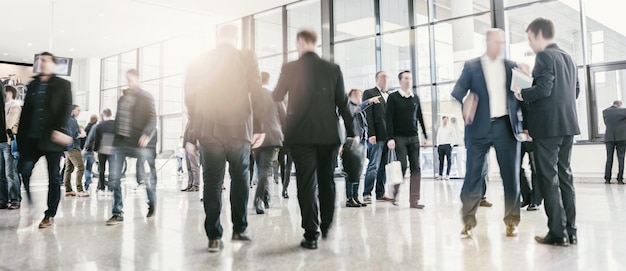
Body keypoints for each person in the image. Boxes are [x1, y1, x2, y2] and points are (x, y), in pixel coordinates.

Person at [185, 25, 266, 253]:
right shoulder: (246, 57)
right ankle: (239, 229)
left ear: (217, 37)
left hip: (208, 130)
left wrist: (195, 125)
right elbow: (257, 91)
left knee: (211, 182)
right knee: (240, 179)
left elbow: (189, 95)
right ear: (235, 38)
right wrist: (258, 126)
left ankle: (214, 237)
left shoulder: (201, 59)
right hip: (239, 129)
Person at [273, 29, 355, 250]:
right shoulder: (333, 69)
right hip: (328, 135)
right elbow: (343, 103)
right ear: (315, 42)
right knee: (327, 180)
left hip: (300, 136)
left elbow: (276, 96)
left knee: (306, 183)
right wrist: (352, 132)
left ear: (300, 42)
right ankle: (326, 224)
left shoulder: (290, 68)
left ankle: (311, 234)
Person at [513, 18, 579, 246]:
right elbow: (575, 91)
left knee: (548, 178)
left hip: (548, 128)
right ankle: (571, 230)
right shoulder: (568, 58)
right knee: (565, 176)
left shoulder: (544, 56)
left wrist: (523, 94)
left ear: (539, 35)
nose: (530, 44)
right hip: (568, 125)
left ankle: (557, 233)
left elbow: (543, 88)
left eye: (530, 39)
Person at [451, 29, 522, 238]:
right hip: (478, 128)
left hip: (505, 127)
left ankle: (512, 221)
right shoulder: (471, 66)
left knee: (510, 177)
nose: (500, 45)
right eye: (496, 41)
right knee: (473, 175)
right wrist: (466, 103)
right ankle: (468, 222)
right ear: (488, 42)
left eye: (502, 42)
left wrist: (525, 125)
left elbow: (521, 96)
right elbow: (457, 91)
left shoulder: (511, 66)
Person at [18, 51, 73, 228]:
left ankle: (49, 214)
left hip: (52, 138)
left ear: (53, 64)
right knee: (24, 170)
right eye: (40, 61)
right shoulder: (33, 84)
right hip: (31, 139)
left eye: (46, 61)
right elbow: (26, 112)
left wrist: (60, 129)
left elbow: (66, 107)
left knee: (54, 178)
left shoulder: (63, 84)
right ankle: (31, 204)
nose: (43, 64)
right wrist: (20, 138)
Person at [106, 69, 158, 226]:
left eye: (132, 79)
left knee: (143, 176)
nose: (129, 81)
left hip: (139, 143)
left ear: (138, 79)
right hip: (121, 143)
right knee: (114, 178)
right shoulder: (122, 99)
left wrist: (147, 134)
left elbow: (152, 118)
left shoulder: (146, 97)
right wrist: (109, 143)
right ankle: (117, 212)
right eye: (127, 79)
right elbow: (117, 121)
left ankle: (152, 201)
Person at [386, 71, 428, 208]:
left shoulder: (415, 97)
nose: (408, 80)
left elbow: (420, 117)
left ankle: (414, 200)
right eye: (405, 78)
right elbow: (388, 119)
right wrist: (390, 138)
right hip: (399, 138)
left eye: (410, 78)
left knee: (416, 168)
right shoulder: (393, 98)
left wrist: (426, 136)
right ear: (400, 81)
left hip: (414, 137)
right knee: (402, 165)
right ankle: (395, 192)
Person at [252, 72, 284, 215]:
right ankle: (260, 199)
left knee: (261, 168)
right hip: (272, 136)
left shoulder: (252, 96)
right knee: (264, 169)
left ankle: (265, 198)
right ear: (268, 80)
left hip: (255, 137)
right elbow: (283, 116)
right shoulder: (275, 96)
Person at [344, 88, 379, 208]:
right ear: (350, 97)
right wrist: (369, 101)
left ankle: (355, 197)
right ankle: (349, 198)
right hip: (352, 142)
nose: (359, 99)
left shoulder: (358, 110)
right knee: (351, 171)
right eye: (357, 96)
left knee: (358, 171)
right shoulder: (349, 107)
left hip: (362, 142)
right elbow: (359, 108)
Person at [362, 71, 392, 203]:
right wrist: (371, 133)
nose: (385, 79)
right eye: (382, 77)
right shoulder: (369, 93)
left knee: (383, 167)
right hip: (376, 136)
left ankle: (380, 192)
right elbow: (368, 115)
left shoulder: (389, 96)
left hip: (388, 137)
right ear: (376, 79)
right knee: (373, 166)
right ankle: (367, 193)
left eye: (386, 77)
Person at [85, 108, 116, 194]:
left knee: (101, 169)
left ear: (103, 115)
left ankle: (101, 187)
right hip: (113, 149)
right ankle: (111, 188)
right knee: (112, 169)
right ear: (110, 114)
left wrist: (95, 151)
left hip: (102, 149)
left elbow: (97, 139)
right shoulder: (116, 124)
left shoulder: (99, 125)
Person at [1, 86, 21, 209]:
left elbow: (7, 123)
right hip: (1, 142)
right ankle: (2, 200)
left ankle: (15, 199)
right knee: (1, 174)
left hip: (9, 143)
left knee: (11, 173)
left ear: (9, 92)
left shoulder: (14, 105)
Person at [63, 105, 89, 197]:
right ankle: (80, 189)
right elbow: (74, 135)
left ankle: (68, 189)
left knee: (69, 169)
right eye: (78, 110)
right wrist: (81, 134)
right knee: (81, 167)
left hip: (67, 147)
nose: (79, 112)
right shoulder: (73, 120)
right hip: (74, 147)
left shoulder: (67, 119)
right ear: (72, 110)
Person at [602, 100, 626, 185]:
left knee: (609, 158)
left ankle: (607, 179)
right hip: (622, 138)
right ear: (620, 105)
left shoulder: (605, 112)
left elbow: (606, 123)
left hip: (609, 137)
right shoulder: (624, 111)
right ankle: (620, 179)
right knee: (621, 158)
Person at [436, 116, 457, 180]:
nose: (445, 121)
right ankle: (440, 175)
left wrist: (451, 145)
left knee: (448, 160)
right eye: (444, 120)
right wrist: (438, 145)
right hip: (441, 146)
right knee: (441, 161)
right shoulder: (440, 128)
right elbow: (438, 137)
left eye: (446, 120)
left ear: (447, 121)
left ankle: (447, 175)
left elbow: (454, 137)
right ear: (442, 120)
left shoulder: (451, 128)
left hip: (447, 145)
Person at [181, 122, 200, 192]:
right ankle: (190, 184)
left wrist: (194, 145)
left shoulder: (196, 122)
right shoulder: (188, 123)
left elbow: (197, 134)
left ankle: (195, 185)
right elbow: (185, 135)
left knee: (194, 167)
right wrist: (184, 146)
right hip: (187, 147)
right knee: (189, 167)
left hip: (192, 147)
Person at [82, 114, 98, 191]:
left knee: (84, 167)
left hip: (85, 149)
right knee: (89, 167)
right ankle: (88, 179)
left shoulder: (86, 128)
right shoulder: (96, 128)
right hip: (92, 150)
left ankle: (87, 179)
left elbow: (84, 139)